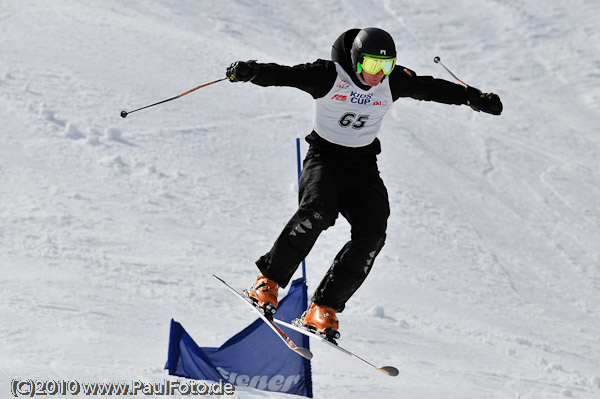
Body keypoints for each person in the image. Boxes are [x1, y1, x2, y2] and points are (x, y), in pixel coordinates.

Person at [226, 27, 502, 340]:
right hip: (324, 159)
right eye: (372, 66)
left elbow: (430, 88)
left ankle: (323, 307)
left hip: (362, 166)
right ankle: (268, 283)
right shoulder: (329, 76)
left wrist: (472, 98)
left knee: (373, 232)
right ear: (357, 61)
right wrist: (252, 71)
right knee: (317, 211)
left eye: (385, 67)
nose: (378, 75)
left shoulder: (392, 81)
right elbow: (285, 75)